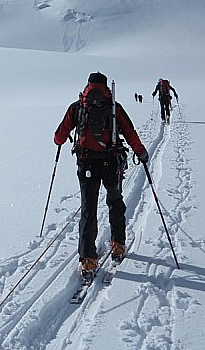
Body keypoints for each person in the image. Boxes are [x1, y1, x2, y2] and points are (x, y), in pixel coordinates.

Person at [53, 72, 149, 279]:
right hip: (110, 163)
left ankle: (88, 259)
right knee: (115, 201)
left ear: (88, 85)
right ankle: (118, 245)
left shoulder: (78, 107)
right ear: (106, 87)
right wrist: (141, 152)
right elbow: (129, 131)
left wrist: (61, 140)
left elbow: (59, 135)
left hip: (86, 163)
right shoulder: (113, 108)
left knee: (88, 208)